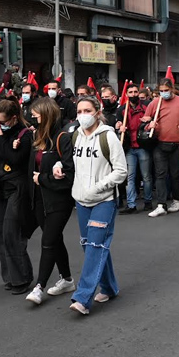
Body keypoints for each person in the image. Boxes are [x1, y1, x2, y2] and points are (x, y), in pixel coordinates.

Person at [67, 96, 127, 315]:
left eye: (87, 110)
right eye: (79, 110)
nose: (83, 114)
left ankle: (82, 298)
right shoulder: (76, 136)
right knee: (91, 245)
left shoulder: (109, 137)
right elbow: (71, 163)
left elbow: (121, 171)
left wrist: (99, 187)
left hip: (104, 201)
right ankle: (110, 287)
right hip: (81, 200)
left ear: (97, 111)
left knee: (94, 246)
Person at [25, 97, 76, 305]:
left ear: (46, 114)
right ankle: (67, 279)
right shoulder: (36, 135)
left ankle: (40, 287)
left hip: (59, 200)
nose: (32, 116)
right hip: (39, 199)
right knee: (55, 240)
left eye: (36, 113)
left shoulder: (62, 138)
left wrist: (43, 179)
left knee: (48, 241)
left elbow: (70, 174)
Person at [0, 100, 34, 294]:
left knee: (11, 232)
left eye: (3, 122)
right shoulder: (1, 132)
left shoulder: (25, 133)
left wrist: (1, 140)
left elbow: (15, 159)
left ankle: (22, 277)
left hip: (18, 185)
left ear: (14, 118)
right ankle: (10, 276)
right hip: (1, 184)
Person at [143, 78, 179, 217]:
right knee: (160, 174)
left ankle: (177, 200)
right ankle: (161, 204)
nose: (164, 93)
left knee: (176, 174)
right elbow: (145, 121)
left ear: (172, 88)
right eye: (161, 91)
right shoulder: (155, 103)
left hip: (178, 143)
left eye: (166, 91)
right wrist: (149, 126)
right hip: (160, 143)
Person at [117, 82, 153, 214]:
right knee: (130, 177)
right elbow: (117, 123)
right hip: (129, 147)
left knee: (146, 176)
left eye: (135, 92)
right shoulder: (122, 109)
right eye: (130, 92)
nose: (133, 95)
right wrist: (119, 126)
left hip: (142, 146)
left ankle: (148, 201)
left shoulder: (146, 107)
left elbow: (153, 121)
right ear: (126, 94)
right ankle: (131, 204)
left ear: (139, 93)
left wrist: (150, 122)